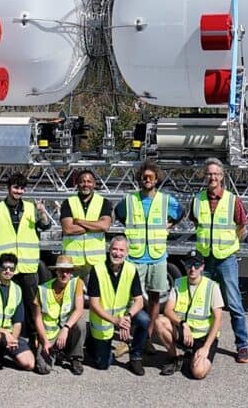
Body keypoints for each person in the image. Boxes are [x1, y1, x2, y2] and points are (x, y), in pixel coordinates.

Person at [190, 158, 248, 363]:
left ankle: (242, 346)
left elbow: (242, 225)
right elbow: (196, 222)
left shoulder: (232, 200)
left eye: (216, 174)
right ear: (204, 176)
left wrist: (231, 246)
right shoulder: (197, 200)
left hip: (226, 258)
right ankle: (199, 341)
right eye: (209, 174)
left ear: (222, 176)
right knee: (200, 301)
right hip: (204, 258)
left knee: (234, 303)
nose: (212, 177)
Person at [113, 160, 182, 336]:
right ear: (140, 179)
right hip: (135, 256)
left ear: (157, 179)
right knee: (131, 298)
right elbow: (120, 214)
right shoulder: (130, 200)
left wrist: (170, 224)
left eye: (151, 177)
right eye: (144, 177)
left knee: (154, 297)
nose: (147, 180)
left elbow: (181, 212)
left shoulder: (166, 200)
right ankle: (129, 333)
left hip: (157, 257)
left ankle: (148, 336)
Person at [0, 173, 52, 339]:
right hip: (6, 267)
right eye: (16, 187)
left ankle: (34, 340)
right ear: (8, 188)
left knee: (32, 306)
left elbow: (46, 226)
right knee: (4, 305)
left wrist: (42, 211)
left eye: (21, 188)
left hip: (28, 267)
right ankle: (4, 339)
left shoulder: (31, 208)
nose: (19, 191)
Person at [86, 235, 150, 375]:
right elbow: (94, 304)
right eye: (114, 249)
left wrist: (127, 318)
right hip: (103, 320)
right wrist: (116, 321)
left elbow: (139, 301)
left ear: (127, 253)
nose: (117, 253)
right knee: (103, 365)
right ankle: (91, 341)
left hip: (122, 315)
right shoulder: (97, 270)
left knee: (144, 320)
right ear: (109, 250)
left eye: (121, 250)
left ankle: (136, 357)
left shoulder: (131, 269)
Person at [154, 253, 223, 379]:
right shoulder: (179, 283)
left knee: (198, 373)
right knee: (159, 321)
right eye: (189, 265)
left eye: (196, 265)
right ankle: (175, 359)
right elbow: (168, 310)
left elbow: (218, 320)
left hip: (203, 338)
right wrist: (183, 325)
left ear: (202, 267)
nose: (192, 269)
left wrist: (206, 348)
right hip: (184, 333)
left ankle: (193, 357)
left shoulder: (212, 286)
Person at [31, 255, 87, 375]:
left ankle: (75, 357)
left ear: (72, 272)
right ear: (56, 271)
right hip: (50, 333)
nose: (65, 274)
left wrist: (66, 329)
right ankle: (58, 351)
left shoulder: (77, 283)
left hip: (68, 329)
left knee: (81, 323)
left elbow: (79, 309)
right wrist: (44, 341)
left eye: (68, 271)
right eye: (61, 270)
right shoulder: (43, 289)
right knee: (43, 368)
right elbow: (37, 318)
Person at [60, 168, 110, 282]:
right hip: (72, 262)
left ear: (94, 184)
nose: (85, 184)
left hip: (95, 262)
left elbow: (105, 226)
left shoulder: (103, 202)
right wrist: (94, 226)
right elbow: (68, 229)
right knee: (73, 295)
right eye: (82, 181)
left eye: (89, 181)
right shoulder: (68, 202)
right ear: (77, 184)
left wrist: (80, 222)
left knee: (95, 297)